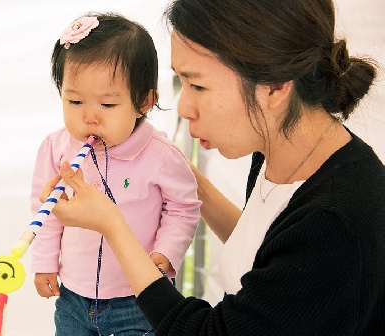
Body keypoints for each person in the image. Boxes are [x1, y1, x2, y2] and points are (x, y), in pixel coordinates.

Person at [40, 0, 385, 335]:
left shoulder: (335, 224)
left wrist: (112, 224)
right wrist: (185, 181)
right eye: (180, 83)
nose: (184, 107)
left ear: (275, 85)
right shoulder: (279, 155)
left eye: (198, 85)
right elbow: (268, 252)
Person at [29, 12, 202, 336]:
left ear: (144, 101)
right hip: (73, 296)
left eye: (107, 105)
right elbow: (46, 211)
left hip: (138, 298)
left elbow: (184, 207)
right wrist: (44, 262)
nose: (89, 117)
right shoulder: (56, 149)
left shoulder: (160, 156)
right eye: (75, 101)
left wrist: (167, 250)